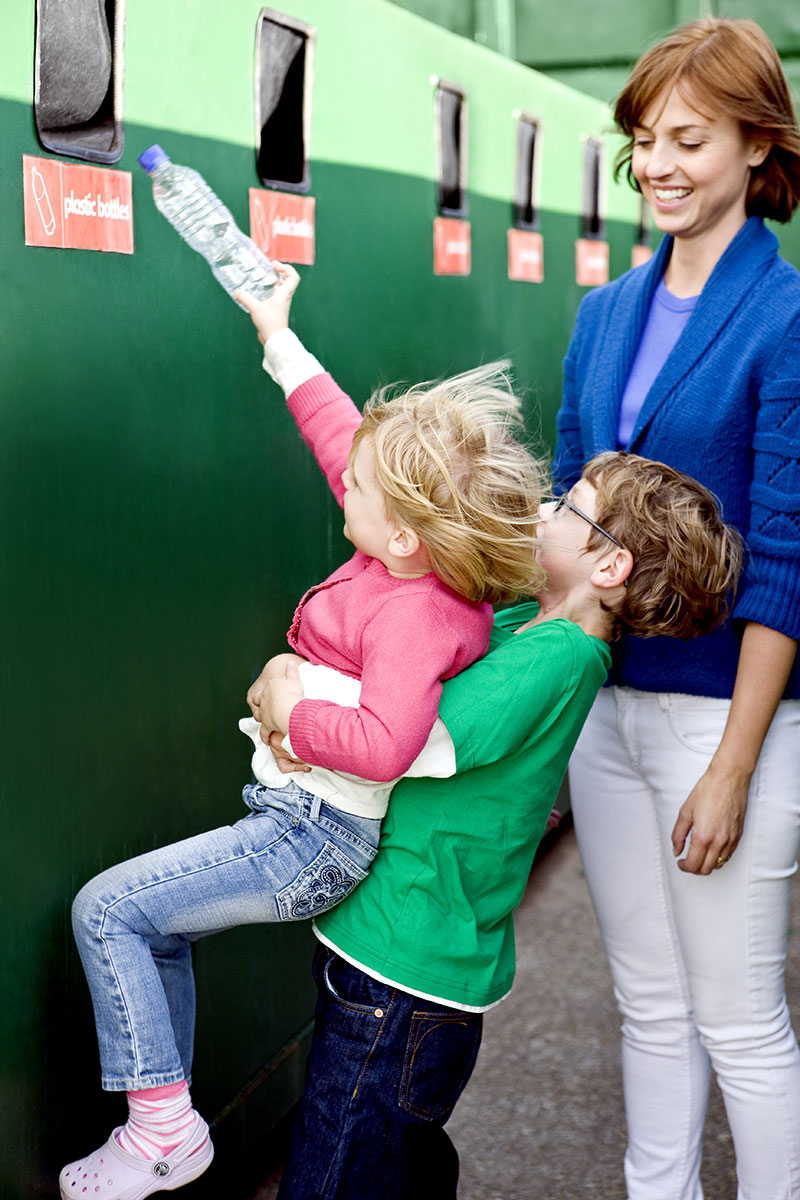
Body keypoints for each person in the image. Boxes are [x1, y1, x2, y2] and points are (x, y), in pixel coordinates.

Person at [58, 270, 546, 1199]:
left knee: (109, 910)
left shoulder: (414, 617)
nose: (342, 486)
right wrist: (277, 335)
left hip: (310, 839)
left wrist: (290, 711)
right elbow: (338, 439)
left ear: (404, 534)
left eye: (357, 490)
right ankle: (163, 1120)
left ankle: (163, 1131)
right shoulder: (401, 553)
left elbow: (385, 744)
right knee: (146, 924)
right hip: (295, 817)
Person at [265, 449, 741, 1200]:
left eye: (566, 504)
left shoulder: (557, 654)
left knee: (336, 1171)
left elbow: (414, 742)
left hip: (405, 967)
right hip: (408, 957)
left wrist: (296, 714)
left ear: (609, 567)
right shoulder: (530, 620)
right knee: (394, 1155)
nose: (544, 510)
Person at [553, 17, 800, 1198]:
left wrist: (734, 766)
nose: (656, 164)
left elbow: (789, 558)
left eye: (687, 140)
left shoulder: (785, 316)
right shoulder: (601, 314)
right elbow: (567, 508)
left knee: (737, 1020)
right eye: (642, 139)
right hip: (606, 720)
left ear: (757, 145)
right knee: (645, 1005)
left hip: (723, 724)